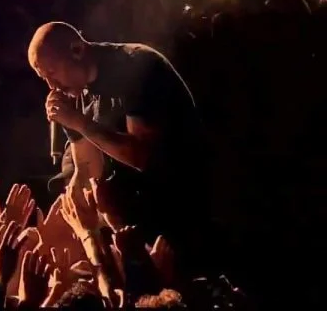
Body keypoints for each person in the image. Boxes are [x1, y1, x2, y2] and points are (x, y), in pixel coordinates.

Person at [27, 21, 210, 275]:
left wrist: (78, 122)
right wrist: (78, 204)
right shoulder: (77, 91)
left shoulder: (136, 67)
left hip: (183, 210)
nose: (51, 86)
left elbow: (141, 155)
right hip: (138, 222)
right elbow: (88, 168)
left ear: (77, 50)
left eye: (52, 72)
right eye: (43, 78)